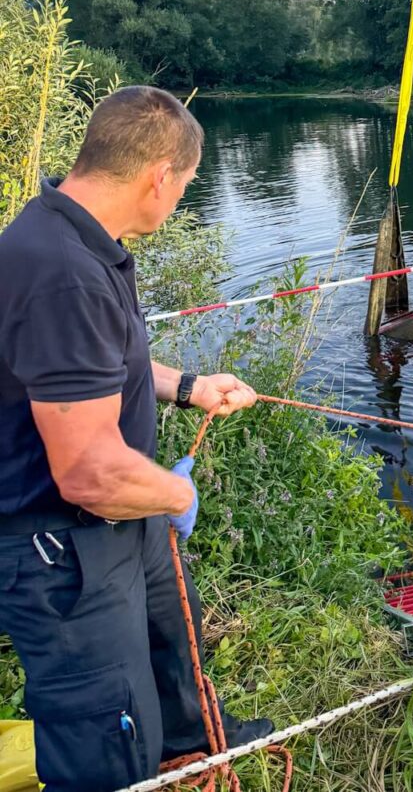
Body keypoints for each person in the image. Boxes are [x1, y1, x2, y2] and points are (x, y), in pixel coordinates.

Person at [0, 86, 272, 792]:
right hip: (62, 547)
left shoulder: (76, 234)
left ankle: (191, 744)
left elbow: (88, 366)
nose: (179, 198)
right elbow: (90, 471)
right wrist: (174, 490)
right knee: (104, 729)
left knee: (169, 650)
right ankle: (133, 764)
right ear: (160, 176)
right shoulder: (61, 273)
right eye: (184, 184)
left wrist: (187, 386)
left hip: (125, 515)